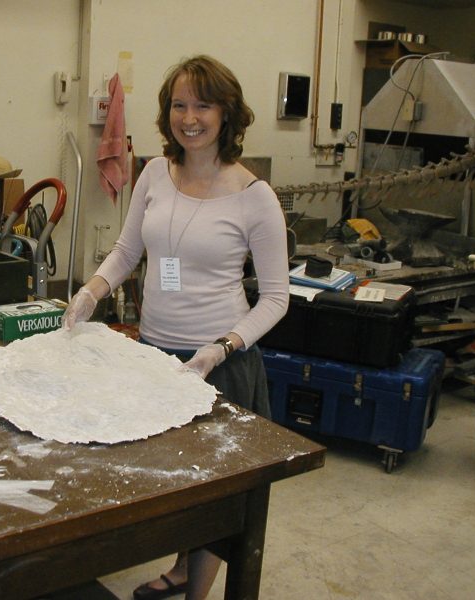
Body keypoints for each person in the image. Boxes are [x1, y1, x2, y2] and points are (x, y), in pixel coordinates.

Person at [62, 55, 290, 600]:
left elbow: (277, 298)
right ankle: (184, 566)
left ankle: (196, 592)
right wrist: (91, 292)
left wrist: (223, 346)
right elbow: (127, 250)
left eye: (203, 105)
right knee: (170, 482)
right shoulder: (153, 174)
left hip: (219, 364)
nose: (190, 117)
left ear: (226, 113)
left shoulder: (254, 196)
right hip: (155, 356)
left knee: (213, 496)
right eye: (179, 105)